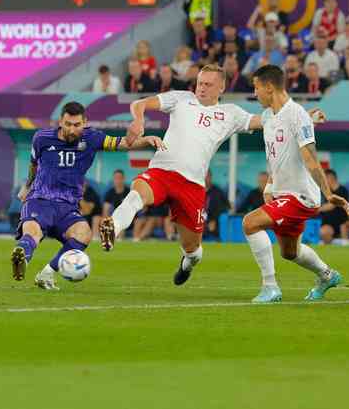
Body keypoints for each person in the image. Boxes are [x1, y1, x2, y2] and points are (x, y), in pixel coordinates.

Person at [98, 64, 326, 285]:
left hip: (193, 185)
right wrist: (138, 119)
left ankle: (188, 262)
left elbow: (270, 119)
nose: (201, 88)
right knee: (137, 193)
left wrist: (306, 116)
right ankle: (113, 229)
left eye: (208, 84)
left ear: (221, 88)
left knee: (193, 250)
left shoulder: (231, 114)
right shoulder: (181, 98)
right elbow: (140, 103)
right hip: (161, 171)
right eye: (199, 83)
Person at [11, 102, 165, 289]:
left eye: (76, 125)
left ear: (85, 123)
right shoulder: (41, 138)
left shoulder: (92, 138)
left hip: (67, 207)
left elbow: (121, 143)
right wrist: (28, 185)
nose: (72, 129)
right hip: (40, 199)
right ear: (60, 121)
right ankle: (22, 258)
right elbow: (33, 165)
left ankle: (46, 274)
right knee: (32, 232)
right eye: (68, 124)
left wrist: (147, 140)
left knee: (84, 234)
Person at [243, 64, 348, 303]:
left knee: (250, 223)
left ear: (269, 87)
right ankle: (327, 275)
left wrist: (328, 193)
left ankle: (270, 287)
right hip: (283, 194)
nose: (255, 93)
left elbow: (310, 158)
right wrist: (270, 186)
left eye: (257, 88)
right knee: (290, 252)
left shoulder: (296, 114)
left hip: (301, 196)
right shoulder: (270, 116)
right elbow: (278, 154)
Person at [319, 169, 349, 244]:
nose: (324, 181)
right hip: (327, 222)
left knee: (344, 237)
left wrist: (318, 209)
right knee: (324, 232)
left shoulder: (343, 190)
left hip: (341, 223)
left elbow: (332, 205)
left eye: (325, 178)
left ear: (331, 177)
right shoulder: (326, 191)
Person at [204, 170, 230, 239]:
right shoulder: (196, 191)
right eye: (204, 176)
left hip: (213, 220)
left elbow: (226, 206)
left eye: (207, 176)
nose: (205, 179)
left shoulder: (217, 192)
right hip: (198, 220)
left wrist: (214, 220)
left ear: (211, 177)